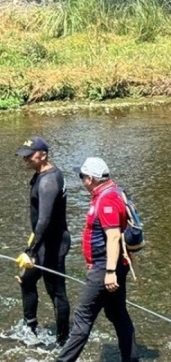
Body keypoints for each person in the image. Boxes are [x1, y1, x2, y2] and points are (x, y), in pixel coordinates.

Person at [57, 157, 139, 362]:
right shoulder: (112, 192)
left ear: (91, 178)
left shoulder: (107, 200)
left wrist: (110, 272)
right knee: (116, 313)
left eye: (82, 176)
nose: (81, 180)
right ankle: (131, 359)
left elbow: (112, 236)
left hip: (105, 267)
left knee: (83, 316)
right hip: (112, 265)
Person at [14, 136, 71, 346]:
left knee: (56, 292)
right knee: (26, 279)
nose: (25, 159)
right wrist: (31, 245)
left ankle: (63, 341)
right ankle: (30, 327)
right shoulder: (42, 173)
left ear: (43, 155)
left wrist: (30, 252)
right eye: (24, 155)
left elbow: (45, 219)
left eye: (30, 156)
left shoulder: (48, 181)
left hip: (53, 246)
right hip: (41, 242)